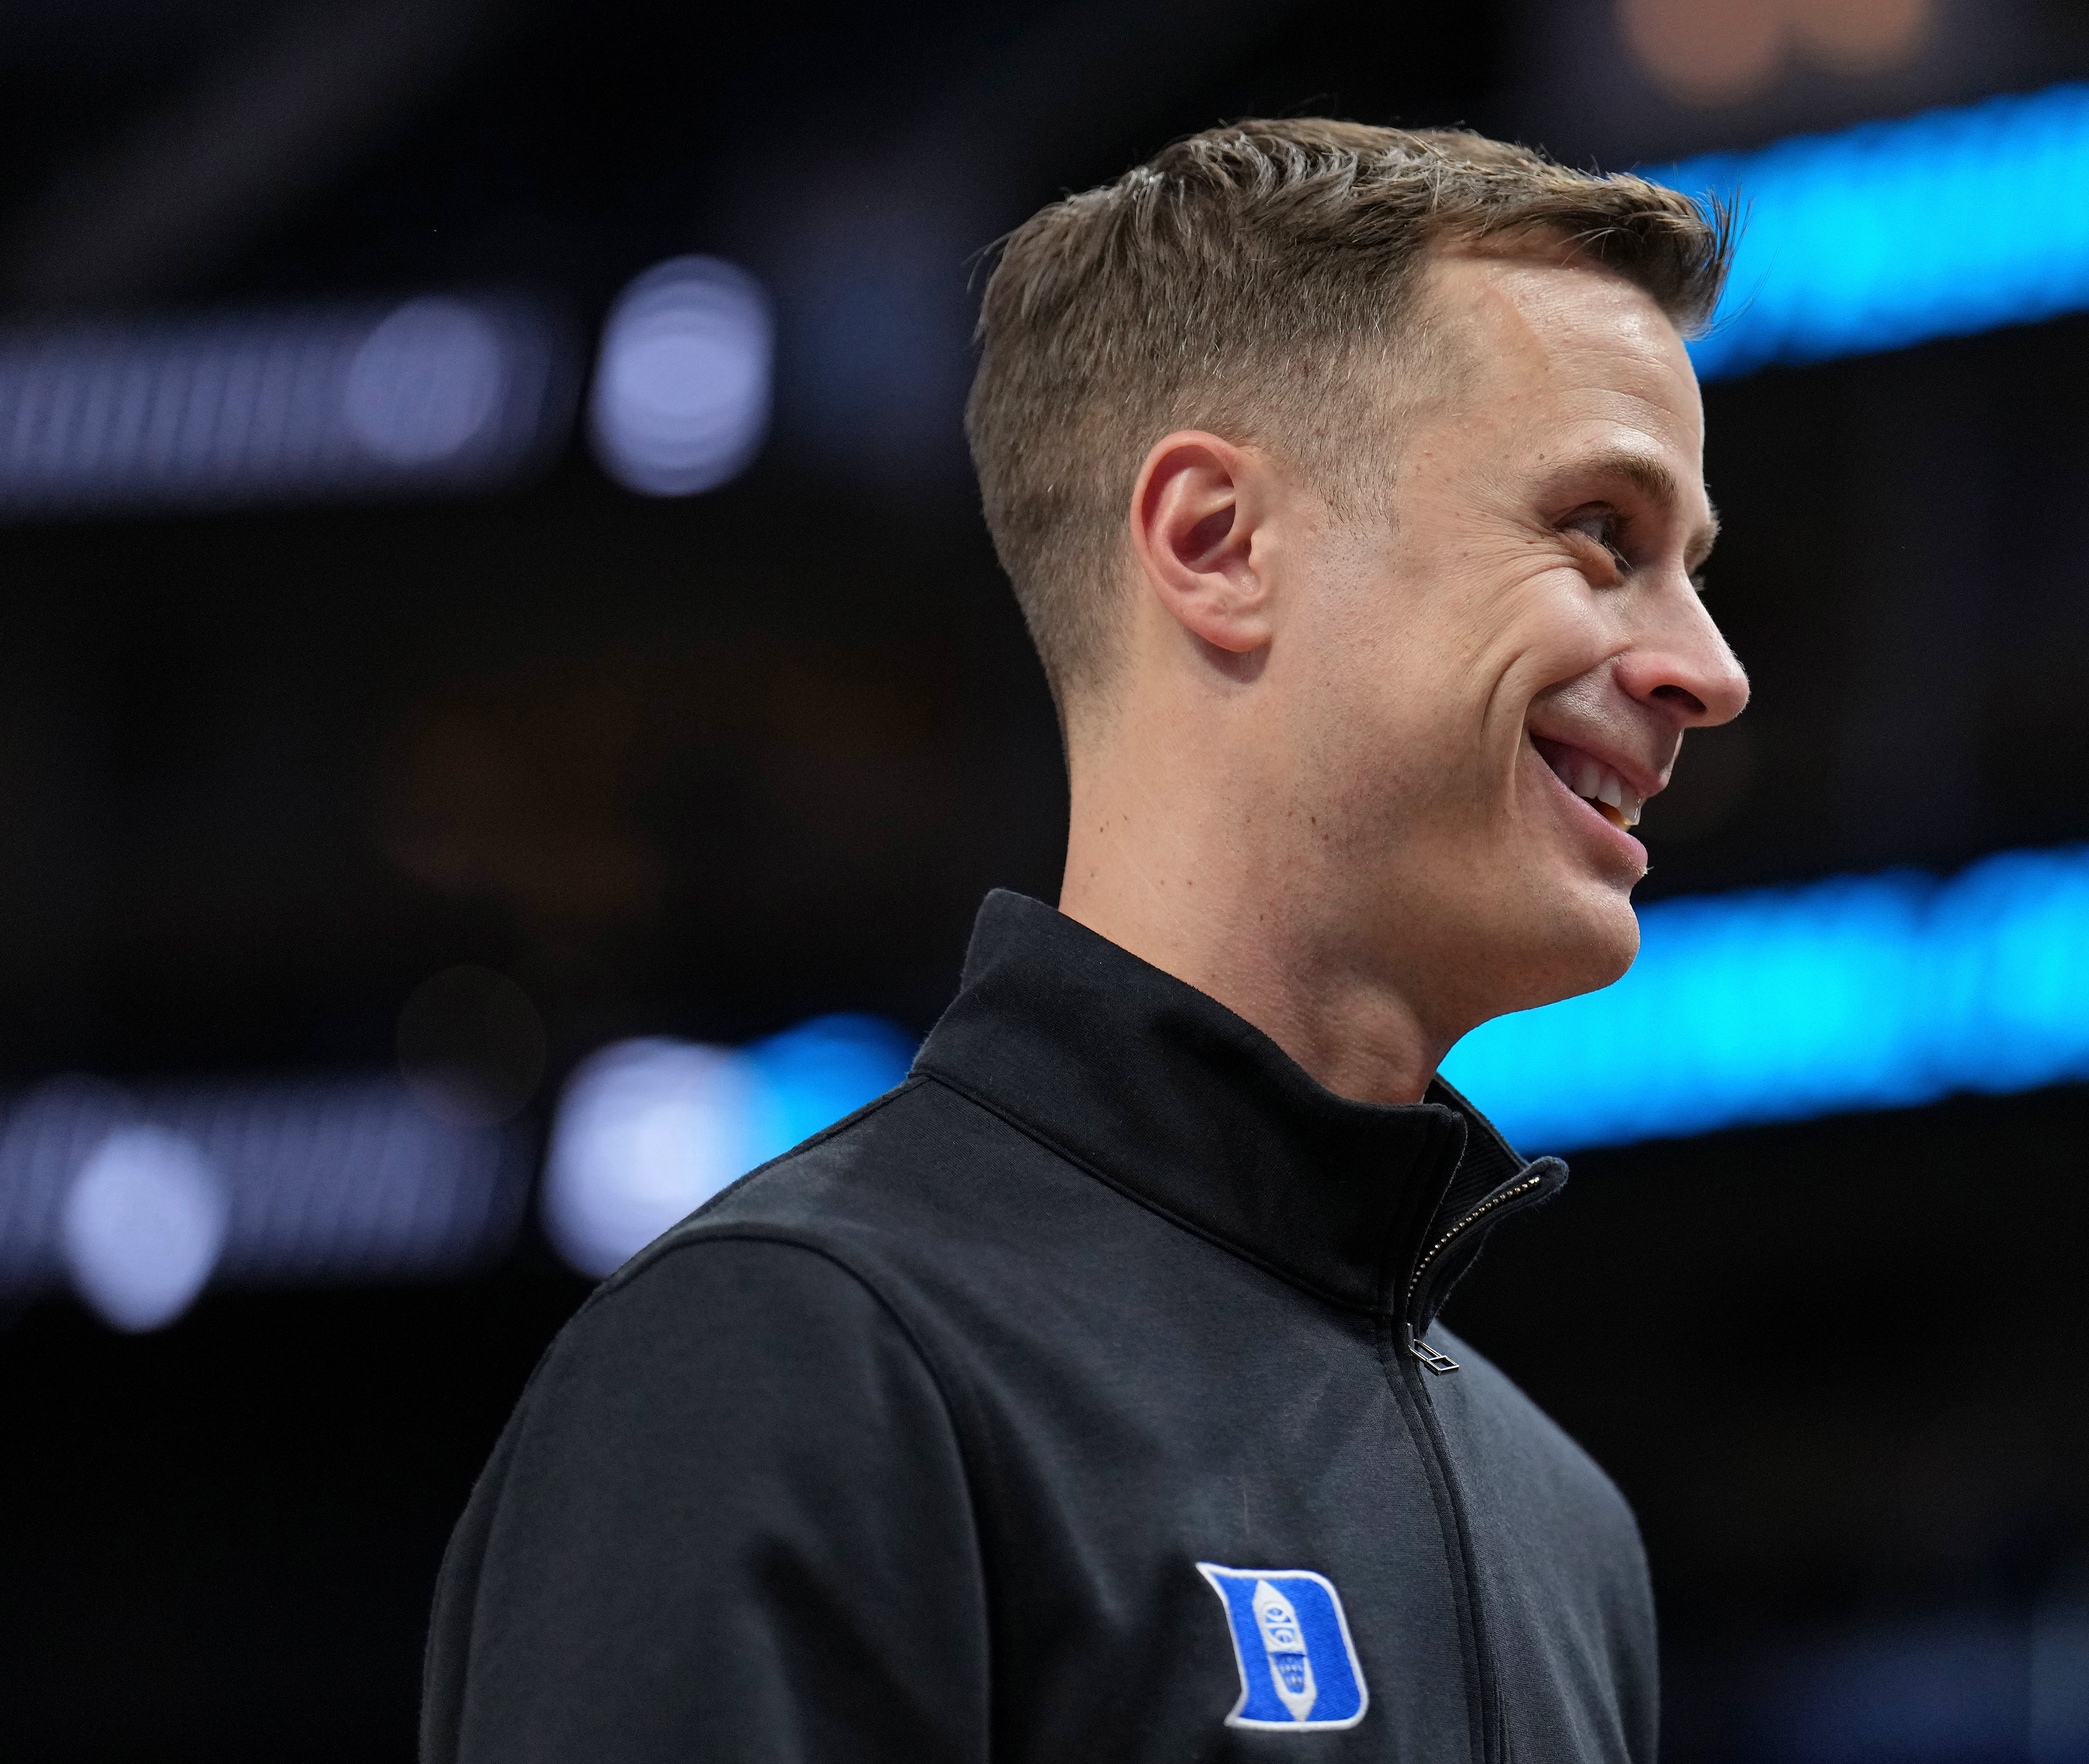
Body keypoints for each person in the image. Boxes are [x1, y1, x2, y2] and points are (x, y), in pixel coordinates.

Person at [421, 119, 1747, 1762]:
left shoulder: (1566, 1526)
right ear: (1216, 543)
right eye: (1601, 533)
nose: (1709, 669)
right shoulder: (800, 1353)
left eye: (1689, 569)